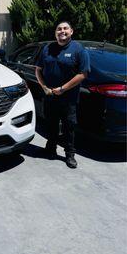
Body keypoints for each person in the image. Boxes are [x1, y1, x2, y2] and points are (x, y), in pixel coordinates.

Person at [35, 22, 90, 168]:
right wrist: (44, 87)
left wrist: (63, 88)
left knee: (69, 127)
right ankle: (50, 148)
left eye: (65, 28)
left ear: (71, 31)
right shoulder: (48, 48)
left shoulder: (78, 49)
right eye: (59, 29)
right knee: (50, 123)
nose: (62, 31)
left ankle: (70, 155)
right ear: (55, 33)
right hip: (50, 95)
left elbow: (83, 74)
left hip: (68, 98)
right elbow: (38, 70)